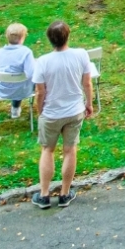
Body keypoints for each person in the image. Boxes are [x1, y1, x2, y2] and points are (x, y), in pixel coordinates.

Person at [31, 20, 94, 208]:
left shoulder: (42, 61)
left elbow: (40, 92)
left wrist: (39, 109)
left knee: (47, 150)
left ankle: (44, 195)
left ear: (49, 39)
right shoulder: (81, 55)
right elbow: (87, 83)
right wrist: (89, 103)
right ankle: (65, 193)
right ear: (68, 35)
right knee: (70, 150)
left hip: (51, 113)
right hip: (74, 111)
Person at [0, 23, 37, 120]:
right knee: (34, 78)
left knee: (14, 79)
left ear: (6, 36)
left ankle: (15, 110)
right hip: (23, 90)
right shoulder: (26, 52)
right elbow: (31, 73)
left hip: (1, 90)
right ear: (23, 38)